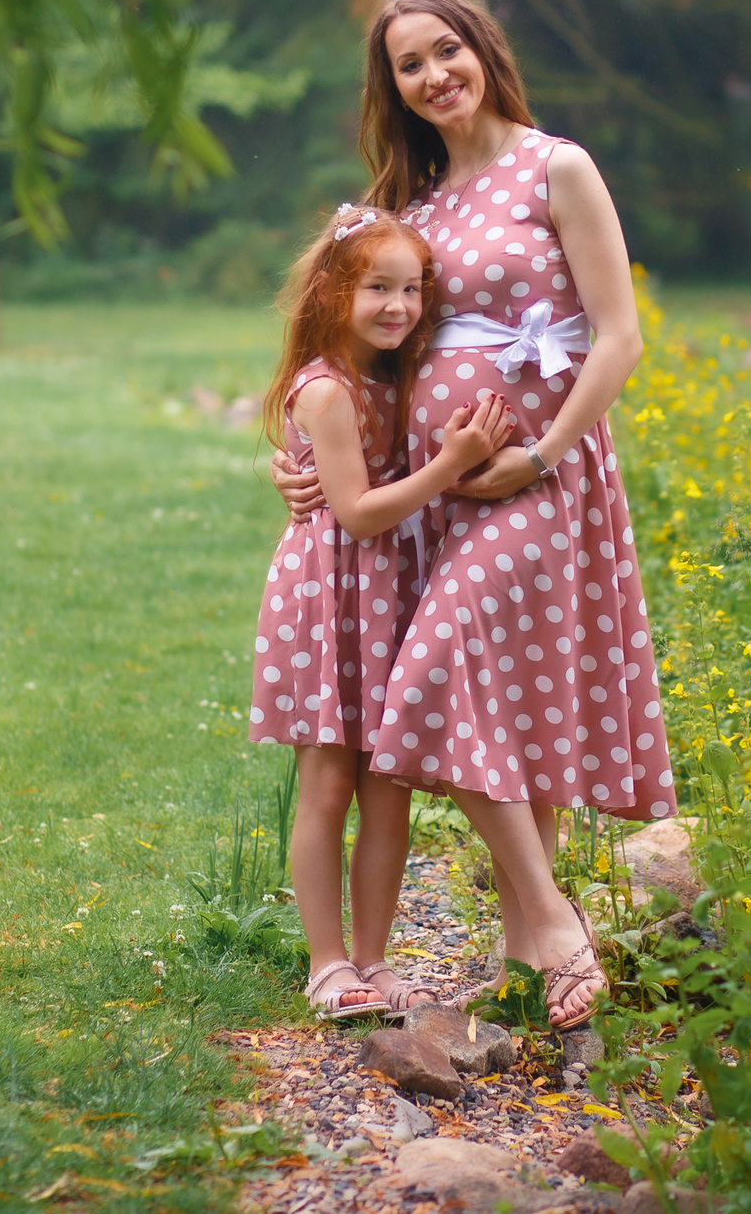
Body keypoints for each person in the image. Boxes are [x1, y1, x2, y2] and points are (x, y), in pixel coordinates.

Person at [277, 0, 673, 1032]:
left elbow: (618, 334)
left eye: (444, 50)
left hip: (542, 473)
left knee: (444, 663)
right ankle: (525, 951)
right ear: (394, 90)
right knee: (512, 689)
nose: (432, 75)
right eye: (408, 66)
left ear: (482, 50)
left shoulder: (558, 166)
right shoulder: (412, 198)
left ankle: (544, 919)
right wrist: (312, 460)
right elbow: (357, 339)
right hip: (432, 489)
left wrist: (539, 455)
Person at [252, 203, 518, 1020]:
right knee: (329, 785)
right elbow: (361, 512)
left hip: (391, 594)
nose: (398, 305)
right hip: (333, 595)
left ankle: (374, 957)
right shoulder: (327, 389)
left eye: (410, 289)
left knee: (389, 791)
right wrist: (452, 463)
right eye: (378, 287)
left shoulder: (393, 375)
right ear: (335, 291)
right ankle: (328, 965)